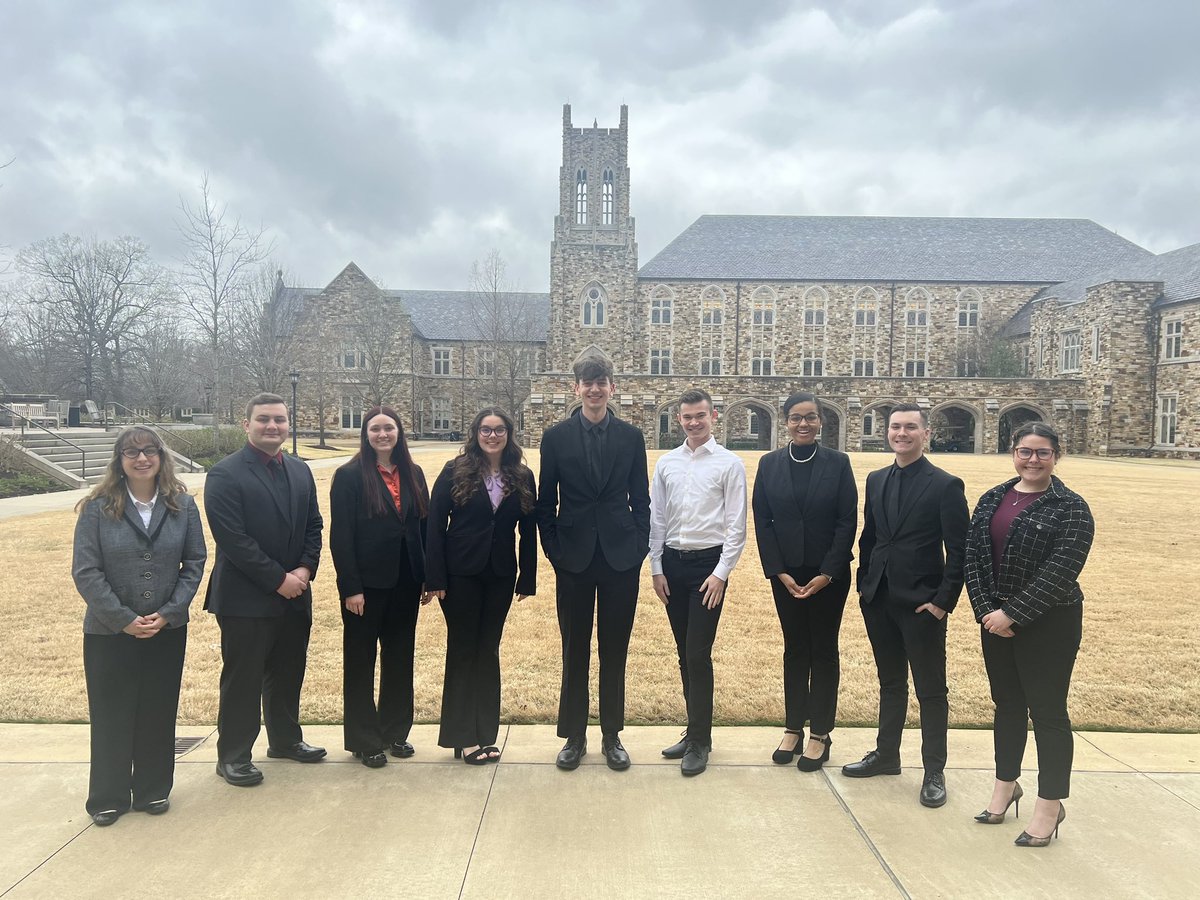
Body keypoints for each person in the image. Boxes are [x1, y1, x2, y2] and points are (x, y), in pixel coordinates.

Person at [964, 421, 1094, 847]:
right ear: (1013, 453)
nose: (1032, 459)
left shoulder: (1071, 507)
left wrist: (1013, 615)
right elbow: (974, 559)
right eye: (1024, 451)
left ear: (1057, 456)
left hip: (1050, 623)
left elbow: (1061, 572)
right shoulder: (992, 499)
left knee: (1048, 713)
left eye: (1042, 452)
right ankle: (1005, 787)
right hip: (994, 623)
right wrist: (988, 613)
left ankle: (1050, 806)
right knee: (1007, 706)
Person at [72, 426, 207, 826]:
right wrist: (124, 619)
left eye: (150, 451)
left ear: (162, 458)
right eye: (132, 452)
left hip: (166, 629)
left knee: (158, 710)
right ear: (120, 460)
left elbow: (195, 562)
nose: (142, 458)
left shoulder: (182, 505)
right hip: (109, 633)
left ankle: (152, 790)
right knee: (112, 713)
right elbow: (86, 570)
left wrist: (170, 611)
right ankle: (108, 797)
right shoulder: (97, 507)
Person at [843, 403, 968, 809]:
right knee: (890, 682)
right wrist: (865, 584)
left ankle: (934, 769)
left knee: (931, 690)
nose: (902, 433)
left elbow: (959, 551)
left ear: (925, 433)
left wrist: (941, 603)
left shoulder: (945, 485)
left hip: (921, 604)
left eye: (910, 427)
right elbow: (872, 536)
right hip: (878, 599)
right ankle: (887, 755)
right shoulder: (877, 479)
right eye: (895, 427)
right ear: (888, 432)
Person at [204, 392, 325, 787]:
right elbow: (234, 540)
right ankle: (234, 756)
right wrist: (279, 580)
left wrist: (304, 570)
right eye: (263, 420)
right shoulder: (225, 474)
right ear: (247, 425)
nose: (272, 426)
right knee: (244, 679)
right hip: (246, 599)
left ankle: (286, 741)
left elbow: (313, 526)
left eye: (279, 419)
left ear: (288, 424)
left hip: (296, 593)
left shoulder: (300, 470)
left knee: (289, 672)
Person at [537, 352, 651, 771]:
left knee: (614, 649)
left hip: (621, 558)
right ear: (576, 388)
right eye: (587, 382)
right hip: (574, 559)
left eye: (601, 381)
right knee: (575, 648)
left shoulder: (630, 437)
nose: (595, 389)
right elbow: (545, 502)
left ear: (611, 387)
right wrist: (555, 552)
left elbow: (641, 500)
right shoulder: (556, 438)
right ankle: (574, 735)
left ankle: (611, 734)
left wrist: (639, 546)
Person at [752, 392, 856, 772]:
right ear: (785, 421)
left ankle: (821, 734)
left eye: (810, 418)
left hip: (828, 576)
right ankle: (793, 727)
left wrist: (826, 573)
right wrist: (778, 571)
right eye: (796, 418)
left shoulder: (838, 464)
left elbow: (847, 521)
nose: (803, 424)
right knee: (795, 649)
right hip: (785, 574)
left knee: (823, 650)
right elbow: (762, 521)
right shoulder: (770, 464)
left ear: (821, 422)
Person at [426, 407, 537, 764]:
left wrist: (528, 577)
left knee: (488, 650)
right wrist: (435, 577)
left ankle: (484, 734)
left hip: (501, 575)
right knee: (463, 650)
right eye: (486, 430)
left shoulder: (521, 475)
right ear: (475, 433)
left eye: (499, 430)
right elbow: (433, 526)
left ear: (509, 433)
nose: (492, 436)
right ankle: (462, 736)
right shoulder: (454, 471)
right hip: (460, 575)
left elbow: (528, 530)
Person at [649, 389, 747, 777]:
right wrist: (656, 567)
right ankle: (693, 732)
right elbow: (657, 518)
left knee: (697, 654)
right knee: (682, 652)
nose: (694, 422)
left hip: (709, 568)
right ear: (679, 420)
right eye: (687, 417)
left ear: (714, 416)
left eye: (700, 416)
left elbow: (736, 526)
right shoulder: (667, 463)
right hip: (673, 565)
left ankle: (702, 742)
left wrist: (721, 574)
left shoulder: (729, 464)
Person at [329, 406, 430, 768]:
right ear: (366, 433)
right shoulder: (349, 476)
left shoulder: (414, 473)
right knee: (360, 661)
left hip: (406, 581)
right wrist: (350, 587)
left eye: (389, 428)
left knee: (400, 657)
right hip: (365, 586)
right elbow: (341, 536)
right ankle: (363, 739)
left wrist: (426, 577)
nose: (383, 434)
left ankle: (394, 732)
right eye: (376, 429)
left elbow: (424, 527)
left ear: (399, 432)